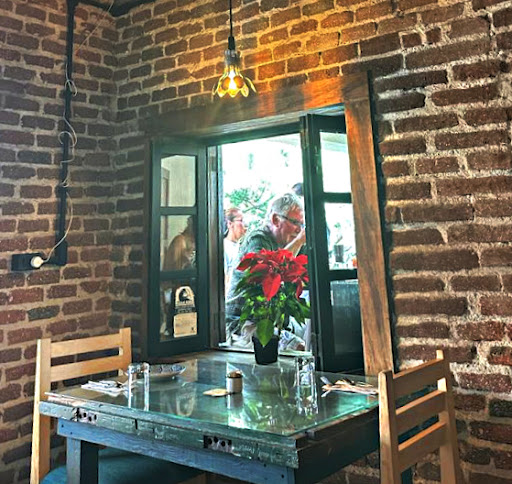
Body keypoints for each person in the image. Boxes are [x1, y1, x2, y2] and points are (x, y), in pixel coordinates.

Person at [226, 193, 307, 349]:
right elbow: (267, 274)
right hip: (241, 322)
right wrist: (299, 242)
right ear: (275, 219)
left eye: (301, 224)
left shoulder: (288, 241)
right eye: (295, 222)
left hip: (272, 321)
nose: (299, 229)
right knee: (297, 346)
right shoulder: (258, 239)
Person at [223, 207, 246, 291]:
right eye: (241, 221)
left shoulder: (242, 246)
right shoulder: (224, 248)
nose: (244, 225)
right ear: (230, 224)